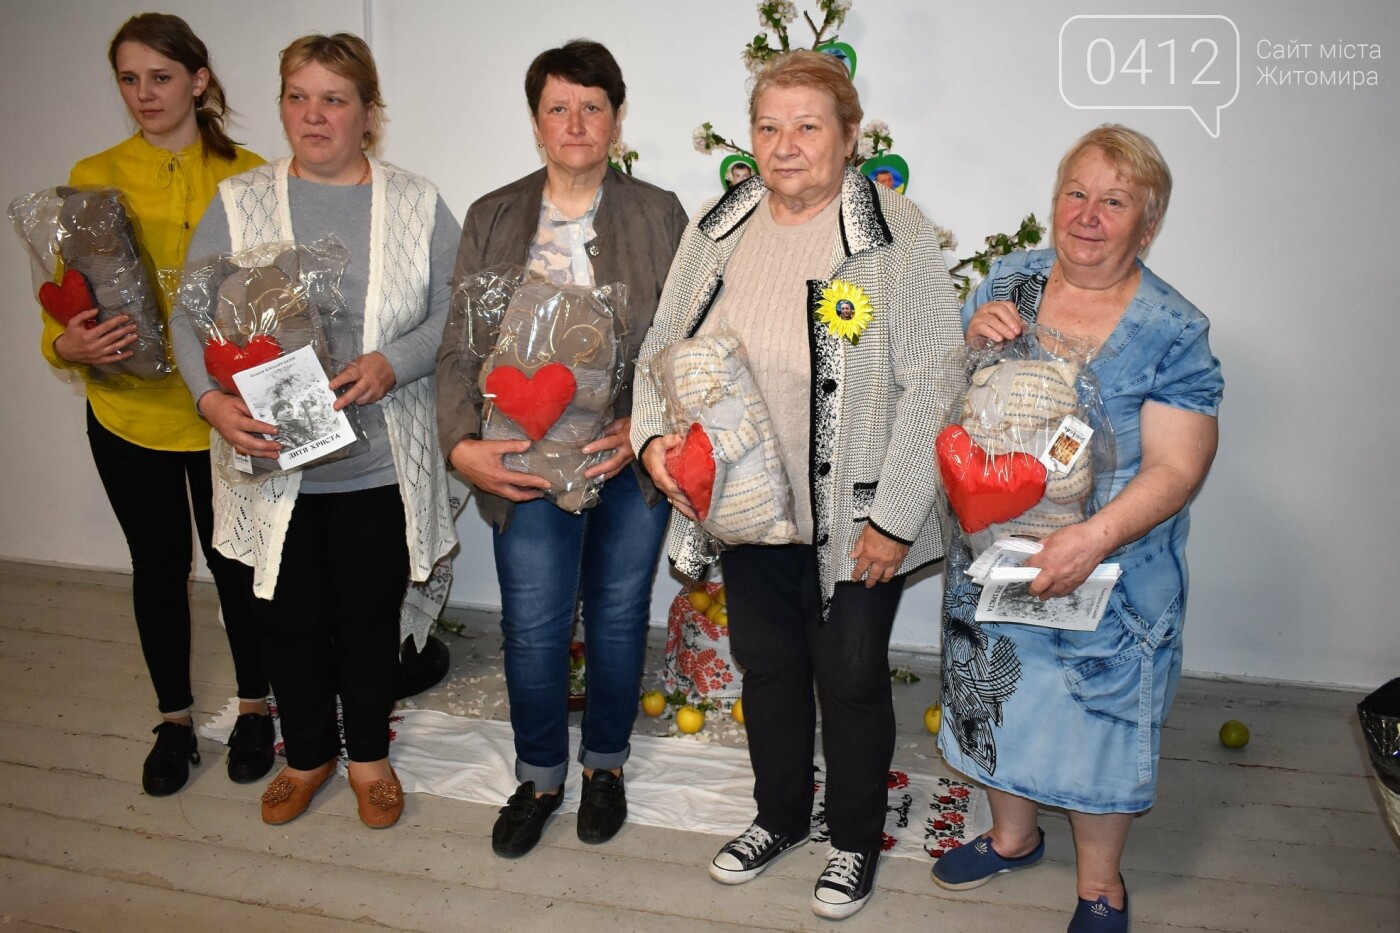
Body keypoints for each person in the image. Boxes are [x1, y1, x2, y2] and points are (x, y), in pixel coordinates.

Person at [631, 50, 963, 919]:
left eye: (808, 126)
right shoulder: (721, 223)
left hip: (858, 515)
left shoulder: (895, 232)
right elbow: (663, 343)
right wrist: (654, 441)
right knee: (769, 665)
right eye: (769, 126)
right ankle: (777, 816)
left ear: (850, 137)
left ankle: (852, 837)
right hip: (746, 504)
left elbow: (935, 381)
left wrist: (894, 517)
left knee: (849, 675)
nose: (785, 145)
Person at [933, 124, 1223, 933]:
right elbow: (967, 395)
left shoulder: (1172, 328)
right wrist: (973, 338)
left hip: (1109, 571)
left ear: (1148, 226)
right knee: (998, 697)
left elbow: (1180, 465)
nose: (1089, 215)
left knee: (1097, 719)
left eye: (1115, 201)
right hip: (994, 553)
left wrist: (1092, 539)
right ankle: (1013, 836)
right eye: (1077, 193)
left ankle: (1101, 885)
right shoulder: (1011, 282)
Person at [170, 33, 459, 830]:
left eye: (334, 99)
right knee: (285, 617)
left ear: (369, 114)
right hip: (271, 464)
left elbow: (453, 308)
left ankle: (367, 757)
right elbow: (189, 317)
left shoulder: (415, 202)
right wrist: (210, 401)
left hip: (377, 461)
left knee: (368, 616)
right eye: (298, 97)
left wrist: (394, 362)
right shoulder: (241, 202)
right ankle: (306, 756)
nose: (314, 114)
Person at [436, 39, 686, 858]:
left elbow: (689, 338)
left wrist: (645, 423)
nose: (576, 123)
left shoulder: (659, 213)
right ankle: (540, 775)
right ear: (536, 120)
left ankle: (604, 765)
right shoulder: (494, 215)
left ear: (616, 119)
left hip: (625, 459)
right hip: (522, 461)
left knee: (617, 615)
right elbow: (457, 348)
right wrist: (461, 444)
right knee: (535, 624)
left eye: (592, 107)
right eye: (558, 107)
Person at [32, 13, 271, 798]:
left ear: (198, 82)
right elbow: (65, 300)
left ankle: (257, 707)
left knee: (238, 563)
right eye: (129, 80)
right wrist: (65, 345)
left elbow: (277, 299)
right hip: (128, 415)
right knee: (159, 569)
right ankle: (173, 720)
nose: (144, 94)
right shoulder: (93, 173)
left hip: (224, 415)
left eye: (161, 78)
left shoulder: (251, 174)